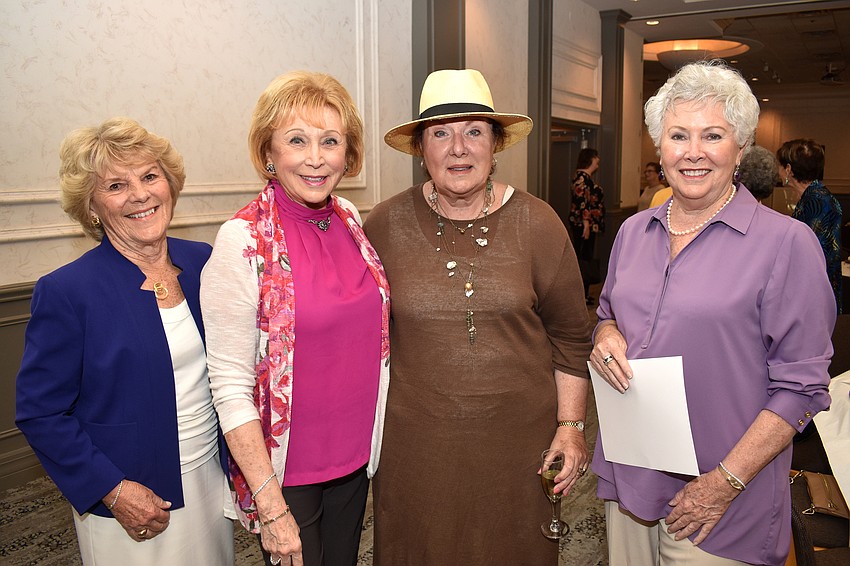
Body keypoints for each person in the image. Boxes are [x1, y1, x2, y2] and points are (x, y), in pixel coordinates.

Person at [590, 61, 835, 566]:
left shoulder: (787, 243)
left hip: (724, 496)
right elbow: (608, 314)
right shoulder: (634, 233)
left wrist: (723, 483)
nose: (693, 152)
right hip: (632, 475)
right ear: (659, 145)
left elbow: (803, 386)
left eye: (713, 135)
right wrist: (607, 333)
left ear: (741, 147)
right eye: (678, 134)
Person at [365, 68, 593, 565]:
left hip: (518, 451)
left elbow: (572, 338)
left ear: (496, 144)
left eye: (474, 131)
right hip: (416, 450)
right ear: (421, 150)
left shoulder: (540, 223)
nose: (458, 148)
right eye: (440, 134)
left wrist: (571, 428)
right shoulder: (381, 225)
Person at [15, 118, 234, 564]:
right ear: (92, 206)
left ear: (170, 185)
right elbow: (40, 412)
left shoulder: (203, 262)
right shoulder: (67, 291)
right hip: (134, 495)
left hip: (213, 475)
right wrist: (111, 490)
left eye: (150, 176)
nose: (140, 194)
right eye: (116, 185)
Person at [200, 71, 390, 566]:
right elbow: (229, 384)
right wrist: (269, 502)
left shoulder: (350, 219)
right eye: (297, 140)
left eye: (330, 141)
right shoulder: (241, 241)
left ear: (348, 155)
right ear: (268, 152)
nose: (315, 158)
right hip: (287, 472)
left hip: (354, 457)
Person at [777, 138, 843, 313]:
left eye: (781, 165)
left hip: (815, 298)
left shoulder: (816, 202)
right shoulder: (815, 196)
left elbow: (807, 254)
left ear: (789, 169)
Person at [568, 147, 605, 304]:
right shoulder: (581, 179)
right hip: (583, 225)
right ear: (590, 158)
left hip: (589, 224)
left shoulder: (586, 178)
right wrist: (586, 225)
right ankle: (579, 295)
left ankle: (584, 293)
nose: (598, 160)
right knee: (582, 259)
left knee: (586, 258)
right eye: (596, 157)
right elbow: (582, 204)